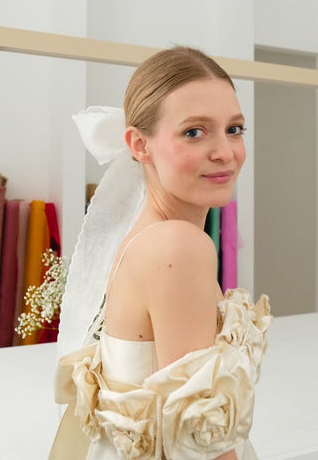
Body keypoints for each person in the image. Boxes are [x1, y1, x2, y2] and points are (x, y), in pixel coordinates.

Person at [49, 46, 271, 460]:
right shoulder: (178, 246)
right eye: (194, 132)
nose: (225, 151)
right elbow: (198, 439)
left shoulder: (146, 234)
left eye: (235, 129)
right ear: (139, 144)